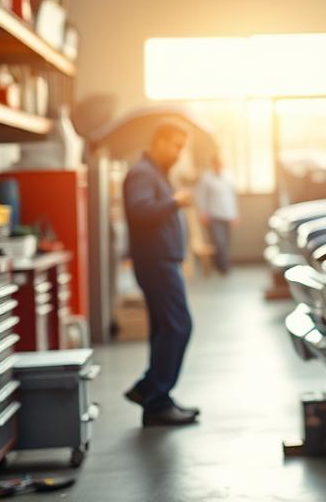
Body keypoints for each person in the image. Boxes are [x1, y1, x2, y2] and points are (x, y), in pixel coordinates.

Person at [122, 122, 200, 427]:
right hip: (156, 262)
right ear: (159, 141)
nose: (179, 154)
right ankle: (155, 400)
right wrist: (175, 202)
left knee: (164, 330)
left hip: (160, 261)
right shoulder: (142, 173)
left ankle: (150, 392)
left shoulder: (153, 173)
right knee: (178, 326)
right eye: (175, 146)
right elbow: (140, 212)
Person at [195, 155, 238, 275]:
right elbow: (201, 196)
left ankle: (221, 264)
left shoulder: (228, 176)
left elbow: (232, 197)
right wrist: (203, 213)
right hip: (214, 215)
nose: (219, 166)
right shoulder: (206, 178)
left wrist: (234, 214)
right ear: (213, 164)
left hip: (227, 214)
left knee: (226, 242)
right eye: (217, 164)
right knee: (219, 242)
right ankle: (223, 267)